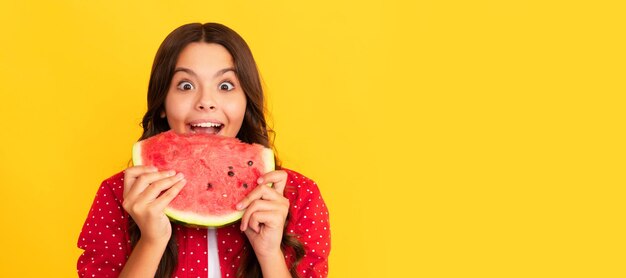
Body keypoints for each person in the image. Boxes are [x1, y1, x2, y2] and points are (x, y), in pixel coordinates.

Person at [77, 22, 330, 278]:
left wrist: (269, 254)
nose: (206, 102)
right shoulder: (118, 196)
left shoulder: (299, 198)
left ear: (246, 100)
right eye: (186, 85)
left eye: (225, 86)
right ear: (163, 102)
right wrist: (151, 243)